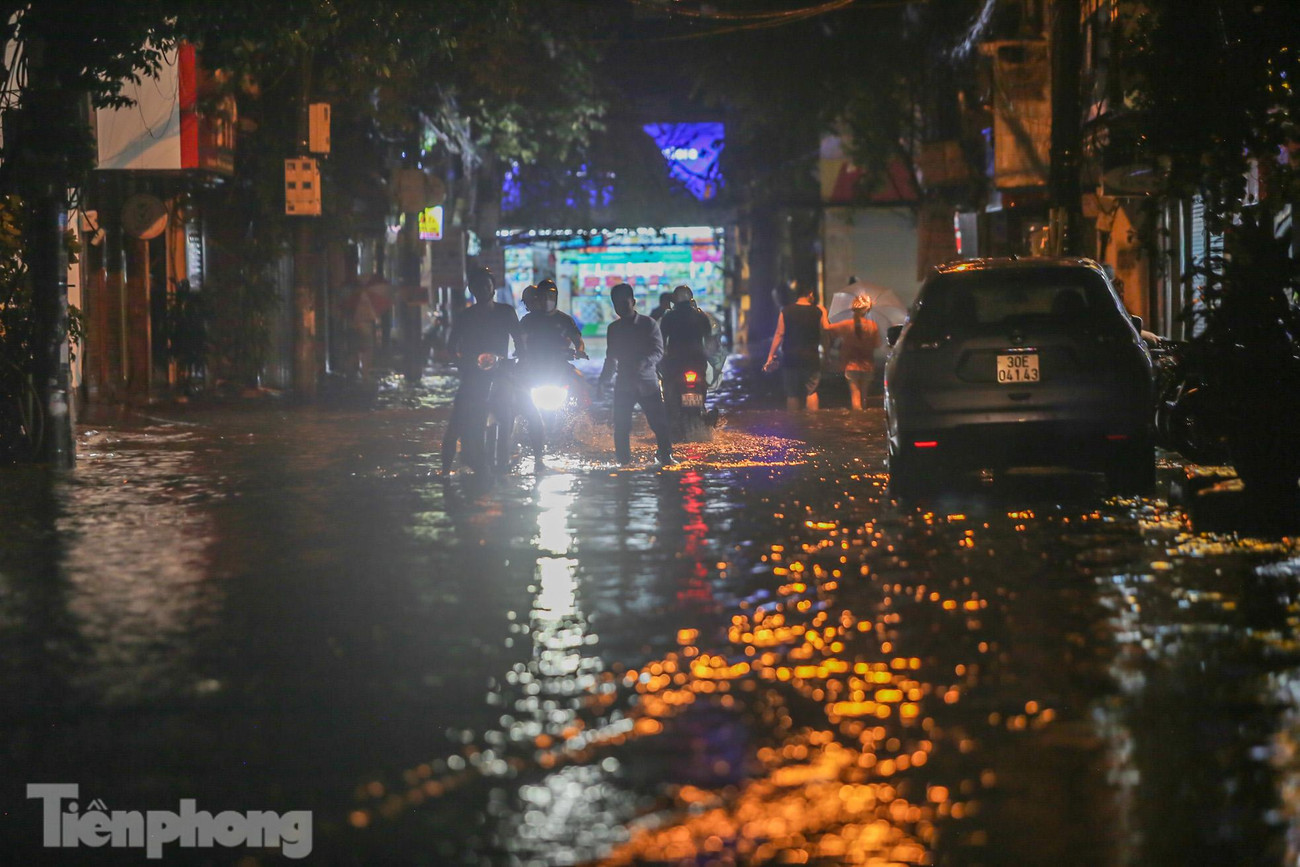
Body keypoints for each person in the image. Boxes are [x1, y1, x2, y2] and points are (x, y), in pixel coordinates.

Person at [441, 267, 521, 475]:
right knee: (455, 425)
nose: (483, 290)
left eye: (487, 285)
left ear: (493, 288)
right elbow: (451, 347)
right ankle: (445, 470)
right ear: (471, 289)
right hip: (472, 375)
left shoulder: (506, 312)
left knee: (515, 412)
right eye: (478, 286)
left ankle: (526, 457)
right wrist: (462, 364)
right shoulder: (465, 316)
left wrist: (516, 361)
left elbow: (521, 343)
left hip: (501, 372)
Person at [599, 282, 675, 466]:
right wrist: (603, 381)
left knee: (659, 424)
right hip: (624, 383)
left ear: (633, 302)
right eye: (617, 304)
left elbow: (658, 351)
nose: (621, 308)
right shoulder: (613, 329)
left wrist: (643, 363)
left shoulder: (648, 324)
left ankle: (666, 457)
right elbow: (611, 357)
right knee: (622, 426)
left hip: (647, 383)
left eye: (624, 303)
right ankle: (623, 463)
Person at [517, 278, 587, 473]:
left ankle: (579, 423)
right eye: (544, 295)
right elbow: (520, 341)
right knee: (515, 391)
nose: (548, 299)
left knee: (581, 382)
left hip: (558, 368)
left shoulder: (564, 319)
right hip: (535, 370)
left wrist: (579, 350)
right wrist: (521, 354)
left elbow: (578, 340)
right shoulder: (528, 321)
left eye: (551, 295)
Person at [763, 281, 829, 411]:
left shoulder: (786, 311)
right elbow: (825, 333)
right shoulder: (818, 311)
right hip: (811, 357)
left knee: (792, 393)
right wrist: (826, 355)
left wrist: (770, 355)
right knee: (811, 391)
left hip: (790, 357)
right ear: (810, 294)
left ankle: (794, 424)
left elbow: (779, 334)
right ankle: (813, 423)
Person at [658, 284, 714, 421]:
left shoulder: (668, 317)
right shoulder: (701, 316)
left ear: (675, 300)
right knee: (702, 383)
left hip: (675, 363)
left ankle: (671, 415)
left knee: (668, 385)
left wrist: (660, 360)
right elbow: (710, 342)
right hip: (698, 361)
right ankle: (701, 411)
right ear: (691, 298)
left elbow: (661, 342)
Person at [825, 294, 880, 411]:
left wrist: (824, 313)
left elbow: (827, 328)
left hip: (851, 365)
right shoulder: (873, 326)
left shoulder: (847, 324)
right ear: (868, 310)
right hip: (868, 366)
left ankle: (856, 422)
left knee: (855, 395)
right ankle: (864, 422)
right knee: (864, 397)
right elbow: (877, 345)